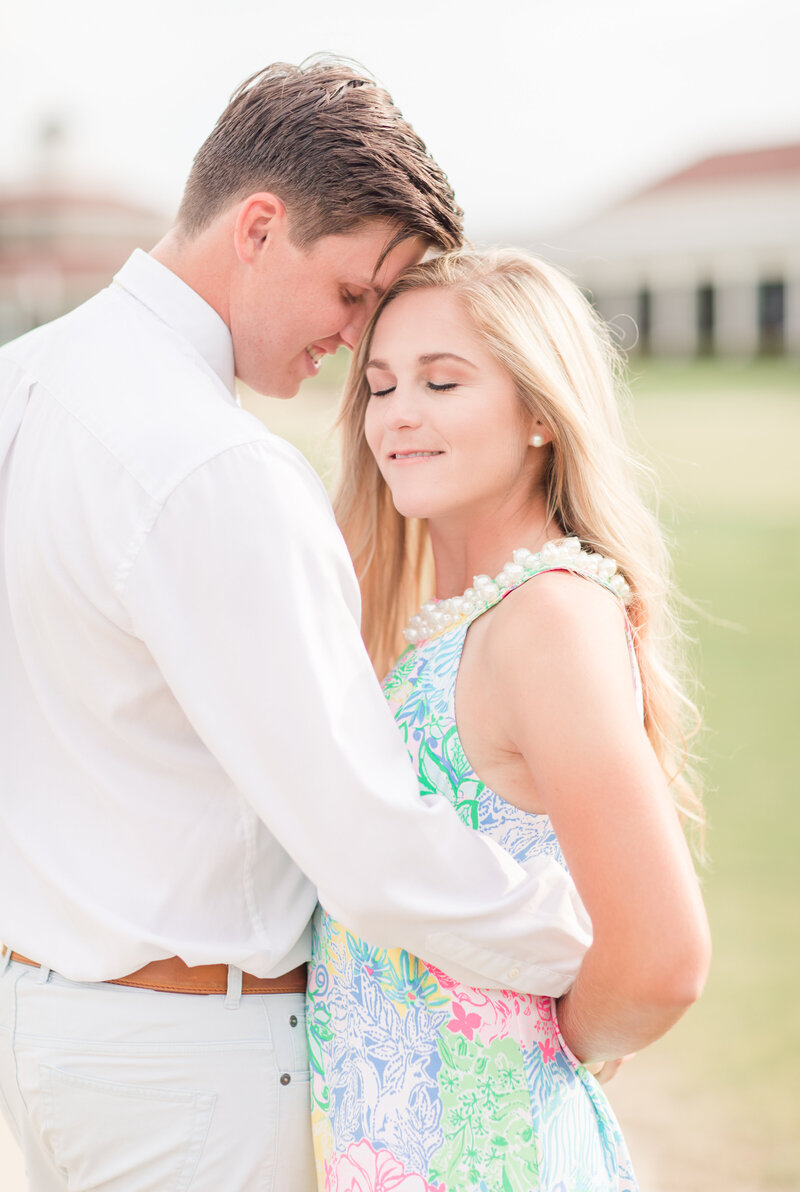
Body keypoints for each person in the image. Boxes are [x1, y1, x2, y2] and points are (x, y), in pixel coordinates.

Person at [0, 64, 598, 1191]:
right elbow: (368, 848)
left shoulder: (22, 383)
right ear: (261, 227)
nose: (354, 339)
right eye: (352, 291)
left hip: (48, 1037)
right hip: (187, 1067)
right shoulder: (220, 467)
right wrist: (577, 947)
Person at [308, 248, 712, 1191]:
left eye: (442, 381)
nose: (398, 413)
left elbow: (662, 957)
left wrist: (533, 1044)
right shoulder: (452, 626)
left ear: (540, 411)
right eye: (379, 385)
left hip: (492, 1159)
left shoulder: (549, 619)